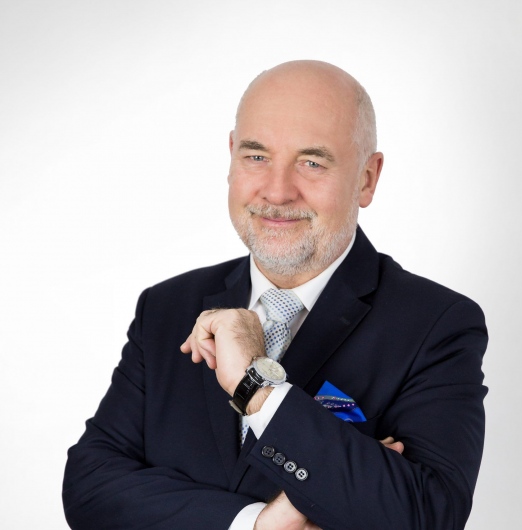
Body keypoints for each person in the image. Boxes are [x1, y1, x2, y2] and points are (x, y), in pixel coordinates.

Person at [62, 60, 488, 530]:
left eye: (312, 162)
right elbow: (89, 487)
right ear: (231, 157)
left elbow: (427, 515)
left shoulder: (436, 324)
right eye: (256, 156)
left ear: (367, 178)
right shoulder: (166, 307)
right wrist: (257, 523)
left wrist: (259, 390)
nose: (278, 192)